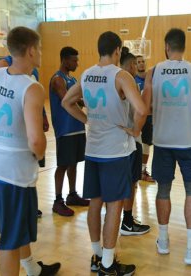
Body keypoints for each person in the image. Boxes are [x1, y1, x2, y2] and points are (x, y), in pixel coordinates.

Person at [0, 26, 60, 276]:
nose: (40, 53)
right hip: (13, 177)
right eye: (39, 48)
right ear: (31, 51)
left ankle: (31, 268)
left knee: (14, 229)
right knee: (9, 242)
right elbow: (35, 140)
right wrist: (38, 155)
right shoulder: (31, 88)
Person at [62, 31, 147, 275]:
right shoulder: (121, 76)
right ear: (118, 50)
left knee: (95, 204)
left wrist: (87, 120)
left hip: (93, 150)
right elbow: (141, 109)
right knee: (114, 206)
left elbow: (66, 102)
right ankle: (109, 264)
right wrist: (135, 130)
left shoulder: (87, 74)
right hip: (115, 153)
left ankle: (97, 254)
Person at [142, 28, 191, 265]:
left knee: (163, 190)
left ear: (166, 46)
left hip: (162, 142)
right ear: (184, 46)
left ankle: (163, 241)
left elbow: (144, 108)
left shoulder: (153, 72)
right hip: (190, 142)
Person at [0, 54, 48, 218]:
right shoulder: (3, 66)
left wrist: (43, 115)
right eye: (38, 48)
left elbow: (36, 100)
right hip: (15, 128)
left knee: (31, 170)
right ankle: (15, 209)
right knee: (17, 170)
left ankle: (30, 205)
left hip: (31, 125)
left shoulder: (33, 72)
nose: (41, 53)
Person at [49, 46, 89, 217]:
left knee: (74, 163)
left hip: (77, 128)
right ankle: (57, 200)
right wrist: (83, 103)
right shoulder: (58, 79)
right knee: (63, 164)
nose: (77, 63)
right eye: (74, 60)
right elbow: (68, 100)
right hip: (65, 130)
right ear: (65, 60)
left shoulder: (72, 79)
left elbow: (78, 100)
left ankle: (72, 194)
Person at [118, 46, 150, 236]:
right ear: (131, 65)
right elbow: (141, 109)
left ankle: (120, 219)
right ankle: (127, 222)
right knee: (131, 182)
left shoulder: (112, 79)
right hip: (130, 139)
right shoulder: (127, 81)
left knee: (121, 182)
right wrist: (136, 130)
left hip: (113, 142)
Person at [135, 55, 154, 182]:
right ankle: (134, 173)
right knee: (136, 144)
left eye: (143, 62)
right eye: (138, 62)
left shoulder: (151, 79)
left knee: (147, 145)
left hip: (149, 117)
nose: (141, 64)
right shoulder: (131, 80)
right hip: (137, 117)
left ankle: (142, 170)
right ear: (134, 65)